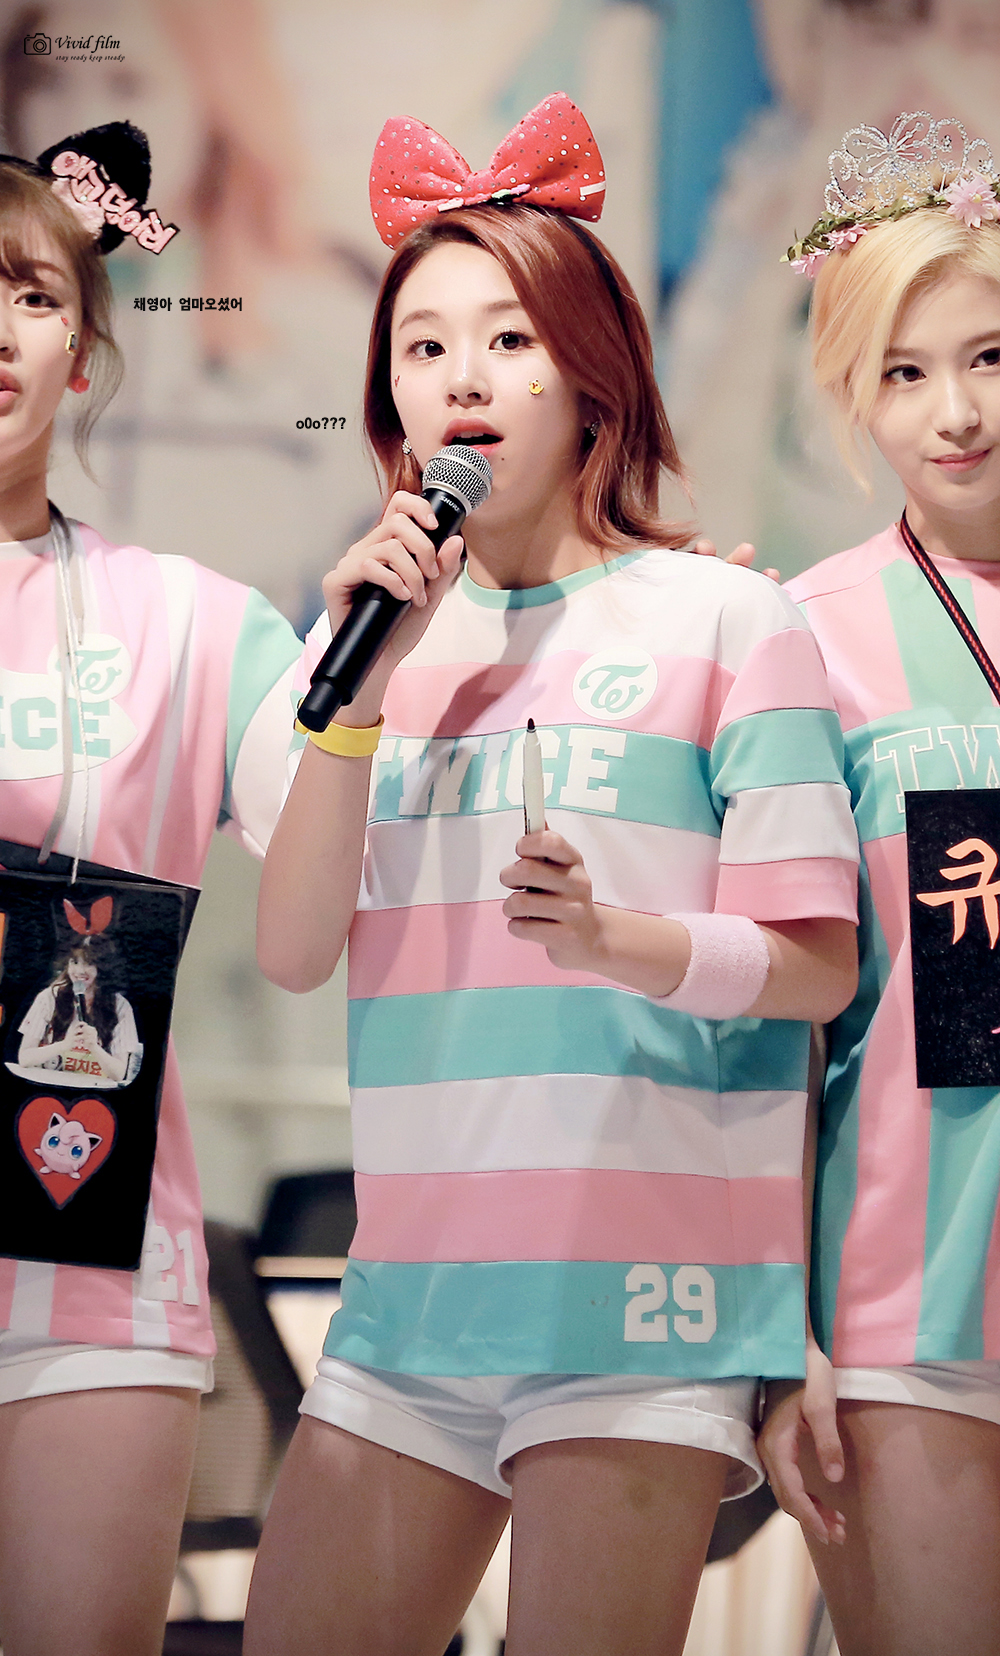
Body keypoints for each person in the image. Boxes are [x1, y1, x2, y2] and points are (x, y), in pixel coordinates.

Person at [245, 94, 859, 1656]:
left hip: (644, 1305)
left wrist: (613, 937)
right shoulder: (359, 649)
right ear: (390, 401)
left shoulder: (729, 621)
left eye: (509, 338)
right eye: (424, 346)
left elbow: (818, 965)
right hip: (411, 1305)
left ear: (592, 379)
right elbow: (297, 949)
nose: (463, 376)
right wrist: (362, 693)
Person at [0, 124, 302, 1655]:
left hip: (92, 1272)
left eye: (32, 292)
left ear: (85, 350)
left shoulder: (193, 624)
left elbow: (357, 850)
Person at [759, 113, 1000, 1656]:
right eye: (903, 372)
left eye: (989, 357)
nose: (953, 412)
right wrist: (780, 1335)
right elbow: (776, 1020)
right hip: (907, 1304)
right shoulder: (803, 635)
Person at [15, 933, 141, 1087]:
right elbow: (24, 1058)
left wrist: (94, 1047)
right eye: (74, 962)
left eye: (89, 963)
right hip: (50, 1088)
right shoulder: (49, 997)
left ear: (103, 967)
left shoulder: (119, 1006)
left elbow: (119, 1073)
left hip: (94, 1092)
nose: (80, 971)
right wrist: (64, 1045)